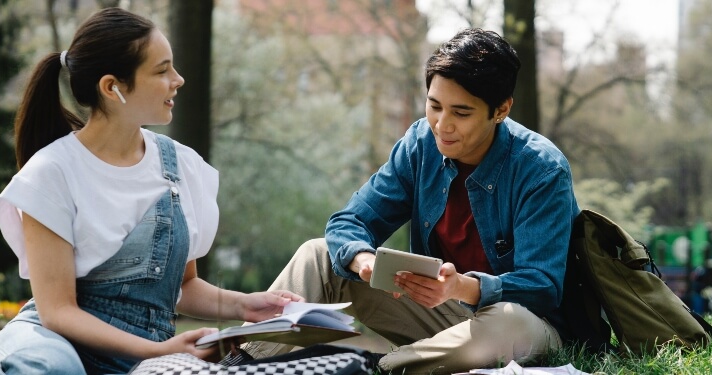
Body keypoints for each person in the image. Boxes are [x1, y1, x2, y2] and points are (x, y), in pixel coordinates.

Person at [0, 8, 302, 374]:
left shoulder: (181, 166)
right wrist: (157, 350)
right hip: (54, 345)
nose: (178, 80)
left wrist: (245, 305)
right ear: (112, 87)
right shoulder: (51, 173)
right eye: (161, 70)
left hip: (141, 356)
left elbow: (185, 285)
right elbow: (57, 312)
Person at [241, 28, 579, 374]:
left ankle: (374, 369)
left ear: (501, 110)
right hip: (445, 317)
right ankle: (237, 362)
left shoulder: (541, 169)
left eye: (461, 113)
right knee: (321, 254)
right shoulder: (420, 142)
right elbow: (349, 222)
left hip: (525, 327)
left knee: (508, 320)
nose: (442, 125)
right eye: (434, 106)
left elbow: (542, 287)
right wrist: (363, 261)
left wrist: (461, 286)